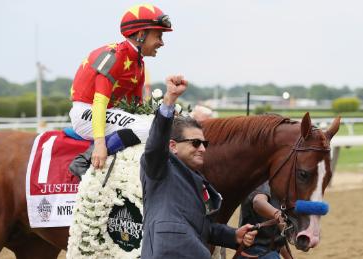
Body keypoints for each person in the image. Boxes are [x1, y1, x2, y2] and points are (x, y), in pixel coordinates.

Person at [140, 75, 257, 259]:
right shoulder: (160, 166)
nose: (202, 149)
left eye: (204, 143)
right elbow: (155, 143)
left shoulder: (197, 178)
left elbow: (202, 227)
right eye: (195, 143)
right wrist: (169, 100)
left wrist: (233, 235)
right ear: (172, 146)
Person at [69, 4, 173, 175]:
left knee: (154, 125)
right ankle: (85, 160)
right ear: (141, 35)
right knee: (151, 130)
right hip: (88, 112)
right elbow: (99, 103)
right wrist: (100, 144)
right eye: (158, 36)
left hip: (107, 113)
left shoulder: (138, 64)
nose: (161, 43)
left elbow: (135, 108)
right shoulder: (114, 56)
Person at [237, 181, 292, 259]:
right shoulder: (263, 181)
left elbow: (277, 239)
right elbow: (258, 201)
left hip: (262, 251)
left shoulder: (278, 186)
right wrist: (278, 215)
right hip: (257, 252)